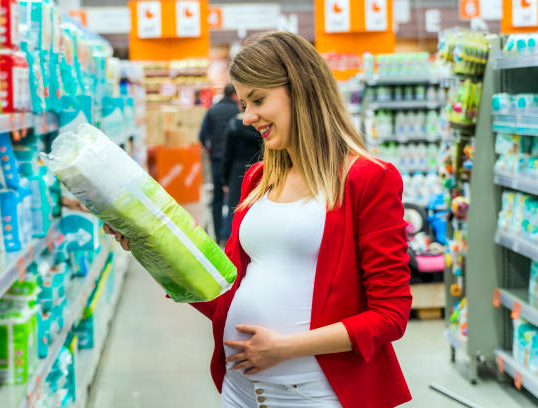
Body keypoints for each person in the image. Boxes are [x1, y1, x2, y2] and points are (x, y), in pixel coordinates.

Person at [106, 31, 412, 408]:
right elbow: (224, 294)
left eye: (258, 100)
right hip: (240, 390)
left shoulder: (366, 178)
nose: (248, 117)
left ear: (300, 88)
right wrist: (149, 246)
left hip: (313, 393)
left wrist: (285, 348)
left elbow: (389, 315)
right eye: (244, 102)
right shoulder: (260, 178)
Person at [199, 84, 240, 244]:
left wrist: (210, 148)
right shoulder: (237, 112)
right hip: (234, 161)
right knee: (234, 198)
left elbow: (202, 136)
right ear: (235, 95)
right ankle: (231, 235)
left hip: (216, 159)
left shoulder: (212, 111)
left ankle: (217, 235)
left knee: (217, 198)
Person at [220, 113, 263, 242]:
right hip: (258, 171)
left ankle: (230, 240)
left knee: (234, 208)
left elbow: (227, 155)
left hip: (236, 172)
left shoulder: (233, 126)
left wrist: (224, 179)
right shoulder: (262, 128)